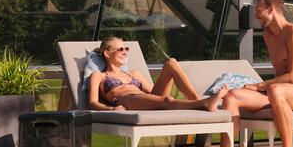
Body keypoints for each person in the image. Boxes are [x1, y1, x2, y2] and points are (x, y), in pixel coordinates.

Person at [192, 0, 293, 147]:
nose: (256, 15)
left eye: (259, 10)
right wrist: (259, 88)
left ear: (272, 8)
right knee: (233, 96)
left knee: (276, 90)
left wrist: (259, 86)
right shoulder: (269, 35)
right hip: (278, 92)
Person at [87, 37, 226, 112]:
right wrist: (111, 108)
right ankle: (203, 104)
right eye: (120, 49)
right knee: (168, 100)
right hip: (125, 100)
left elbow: (154, 94)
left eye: (126, 49)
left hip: (143, 99)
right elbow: (92, 103)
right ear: (106, 53)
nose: (125, 52)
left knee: (171, 62)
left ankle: (196, 99)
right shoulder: (99, 76)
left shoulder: (134, 74)